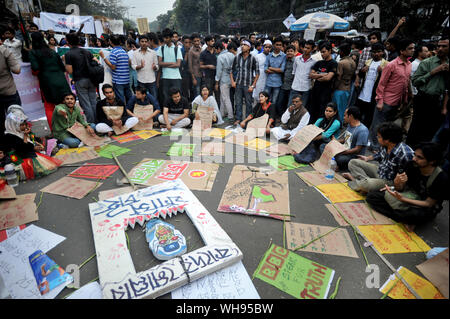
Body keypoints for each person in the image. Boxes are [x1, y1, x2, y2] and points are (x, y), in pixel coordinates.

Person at [366, 142, 449, 231]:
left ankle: (404, 217)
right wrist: (396, 184)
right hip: (408, 195)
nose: (414, 159)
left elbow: (428, 203)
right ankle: (402, 218)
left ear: (432, 161)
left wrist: (402, 199)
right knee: (372, 196)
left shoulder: (440, 178)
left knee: (413, 215)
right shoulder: (412, 165)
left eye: (419, 157)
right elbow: (401, 188)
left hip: (422, 205)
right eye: (414, 155)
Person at [370, 38, 414, 151]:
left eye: (413, 48)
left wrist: (408, 95)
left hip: (398, 102)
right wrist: (379, 101)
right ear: (402, 51)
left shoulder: (409, 65)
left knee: (388, 126)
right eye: (410, 49)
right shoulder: (391, 65)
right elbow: (382, 83)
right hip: (385, 101)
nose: (413, 50)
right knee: (378, 125)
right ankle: (375, 146)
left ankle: (383, 145)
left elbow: (407, 81)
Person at [344, 122, 414, 193]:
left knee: (366, 185)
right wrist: (367, 158)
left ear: (387, 140)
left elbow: (406, 180)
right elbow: (380, 154)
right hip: (380, 171)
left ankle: (357, 181)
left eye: (379, 137)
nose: (377, 138)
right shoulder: (386, 145)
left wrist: (395, 186)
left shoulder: (405, 154)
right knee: (353, 162)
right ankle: (366, 183)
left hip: (389, 181)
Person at [407, 37, 449, 148]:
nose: (440, 48)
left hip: (439, 102)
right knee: (416, 129)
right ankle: (409, 154)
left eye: (444, 46)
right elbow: (415, 81)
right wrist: (433, 72)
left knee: (431, 131)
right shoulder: (427, 62)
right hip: (423, 99)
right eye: (439, 46)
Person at [2, 105, 61, 180]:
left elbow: (34, 140)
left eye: (25, 124)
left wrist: (34, 140)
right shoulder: (10, 136)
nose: (25, 127)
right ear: (14, 125)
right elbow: (23, 149)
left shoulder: (21, 131)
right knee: (41, 168)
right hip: (21, 158)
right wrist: (26, 137)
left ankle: (47, 150)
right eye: (21, 125)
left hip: (30, 150)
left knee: (45, 142)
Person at [29, 32, 71, 131]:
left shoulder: (33, 52)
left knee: (49, 107)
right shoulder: (52, 51)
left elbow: (35, 68)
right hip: (61, 81)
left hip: (47, 83)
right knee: (66, 104)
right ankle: (71, 127)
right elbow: (62, 67)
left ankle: (55, 131)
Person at [64, 32, 98, 124]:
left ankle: (92, 124)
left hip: (80, 80)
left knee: (86, 104)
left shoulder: (69, 54)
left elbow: (70, 71)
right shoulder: (87, 52)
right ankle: (97, 122)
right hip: (92, 79)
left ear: (68, 42)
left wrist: (64, 62)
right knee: (93, 102)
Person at [354, 43, 389, 127]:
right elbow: (360, 75)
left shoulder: (386, 64)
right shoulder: (368, 62)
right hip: (363, 94)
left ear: (383, 53)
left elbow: (388, 80)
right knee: (357, 115)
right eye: (374, 52)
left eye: (378, 52)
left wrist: (382, 72)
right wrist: (362, 72)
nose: (376, 54)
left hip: (374, 96)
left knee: (368, 118)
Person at [231, 39, 260, 126]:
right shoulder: (237, 57)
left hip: (248, 84)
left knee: (248, 103)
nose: (242, 46)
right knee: (238, 102)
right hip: (239, 83)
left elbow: (258, 73)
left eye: (244, 45)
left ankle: (248, 119)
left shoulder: (253, 58)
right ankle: (238, 119)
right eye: (241, 45)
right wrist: (233, 81)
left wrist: (253, 85)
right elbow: (231, 70)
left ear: (249, 47)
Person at [309, 41, 338, 123]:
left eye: (324, 52)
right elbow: (311, 75)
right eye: (321, 52)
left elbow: (328, 78)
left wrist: (317, 75)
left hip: (325, 93)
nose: (322, 54)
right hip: (315, 91)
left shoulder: (333, 63)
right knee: (313, 111)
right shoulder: (319, 63)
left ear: (330, 51)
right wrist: (323, 74)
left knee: (322, 113)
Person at [332, 107, 369, 171]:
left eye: (345, 115)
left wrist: (342, 152)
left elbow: (357, 150)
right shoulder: (350, 125)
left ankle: (343, 167)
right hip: (345, 150)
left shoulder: (362, 130)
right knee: (325, 147)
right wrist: (335, 141)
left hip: (353, 156)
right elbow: (345, 139)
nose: (343, 118)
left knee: (339, 158)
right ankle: (338, 165)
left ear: (350, 116)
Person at [100, 35, 132, 105]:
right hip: (126, 79)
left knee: (121, 100)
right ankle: (130, 113)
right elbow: (129, 62)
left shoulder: (113, 52)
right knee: (129, 99)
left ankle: (124, 113)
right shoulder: (124, 51)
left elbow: (113, 67)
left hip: (118, 81)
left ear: (110, 42)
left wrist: (103, 57)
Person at [0, 41, 21, 139]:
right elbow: (17, 70)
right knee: (17, 119)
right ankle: (20, 144)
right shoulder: (4, 51)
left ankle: (4, 148)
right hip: (9, 91)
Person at [157, 28, 183, 106]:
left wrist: (165, 63)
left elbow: (178, 64)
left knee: (177, 97)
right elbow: (160, 63)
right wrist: (172, 63)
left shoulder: (176, 49)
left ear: (171, 38)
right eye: (164, 38)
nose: (165, 39)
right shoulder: (161, 48)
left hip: (176, 77)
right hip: (165, 77)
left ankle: (177, 112)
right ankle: (167, 113)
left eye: (167, 37)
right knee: (166, 97)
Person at [332, 42, 356, 122]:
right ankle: (342, 122)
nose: (339, 52)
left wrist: (334, 88)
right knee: (343, 108)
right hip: (348, 88)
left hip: (339, 88)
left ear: (342, 51)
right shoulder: (352, 62)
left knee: (337, 108)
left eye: (340, 51)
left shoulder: (341, 63)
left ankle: (337, 124)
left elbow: (338, 77)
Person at [290, 40, 316, 110]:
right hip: (295, 86)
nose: (305, 49)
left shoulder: (314, 61)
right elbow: (294, 72)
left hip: (306, 88)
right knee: (290, 107)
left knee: (301, 108)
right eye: (305, 47)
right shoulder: (297, 59)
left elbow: (313, 75)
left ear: (312, 49)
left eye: (308, 48)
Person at [132, 35, 159, 100]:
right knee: (141, 98)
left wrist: (155, 67)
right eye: (142, 41)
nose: (144, 43)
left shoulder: (153, 53)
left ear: (148, 42)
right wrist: (140, 66)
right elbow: (133, 66)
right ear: (139, 42)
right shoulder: (135, 53)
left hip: (151, 80)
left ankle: (154, 109)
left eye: (145, 41)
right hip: (141, 80)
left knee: (153, 98)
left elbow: (157, 66)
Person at [215, 41, 237, 122]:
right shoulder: (232, 54)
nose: (215, 52)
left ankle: (230, 116)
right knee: (223, 98)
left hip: (224, 79)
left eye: (216, 50)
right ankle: (222, 114)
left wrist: (216, 82)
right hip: (231, 79)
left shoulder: (220, 57)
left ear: (219, 49)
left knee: (226, 98)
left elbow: (219, 71)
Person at [264, 37, 286, 106]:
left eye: (280, 45)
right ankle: (265, 114)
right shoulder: (269, 56)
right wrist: (276, 70)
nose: (278, 46)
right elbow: (265, 69)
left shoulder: (284, 56)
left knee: (274, 101)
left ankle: (272, 115)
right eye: (277, 44)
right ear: (273, 45)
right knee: (266, 100)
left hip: (278, 83)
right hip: (269, 82)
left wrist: (271, 68)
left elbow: (282, 70)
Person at [277, 45, 296, 117]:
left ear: (294, 52)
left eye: (291, 51)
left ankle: (288, 119)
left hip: (292, 87)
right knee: (280, 103)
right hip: (283, 86)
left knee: (289, 105)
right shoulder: (284, 60)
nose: (289, 53)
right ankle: (281, 117)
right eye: (288, 51)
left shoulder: (296, 61)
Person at [253, 40, 272, 107]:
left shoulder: (271, 56)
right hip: (259, 79)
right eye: (266, 47)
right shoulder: (258, 56)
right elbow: (254, 69)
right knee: (257, 97)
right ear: (263, 47)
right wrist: (254, 81)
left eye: (269, 47)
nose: (268, 49)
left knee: (266, 97)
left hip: (268, 79)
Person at [188, 33, 203, 97]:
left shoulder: (201, 49)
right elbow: (190, 66)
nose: (197, 42)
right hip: (196, 75)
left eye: (198, 41)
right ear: (192, 42)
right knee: (197, 94)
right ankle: (195, 107)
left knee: (203, 92)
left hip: (202, 74)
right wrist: (193, 78)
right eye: (195, 41)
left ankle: (202, 107)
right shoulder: (191, 51)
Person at [180, 35, 192, 101]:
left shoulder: (192, 50)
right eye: (186, 42)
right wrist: (187, 54)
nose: (188, 44)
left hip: (192, 73)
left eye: (189, 42)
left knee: (193, 90)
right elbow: (182, 64)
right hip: (184, 74)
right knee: (185, 91)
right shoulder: (180, 51)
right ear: (182, 42)